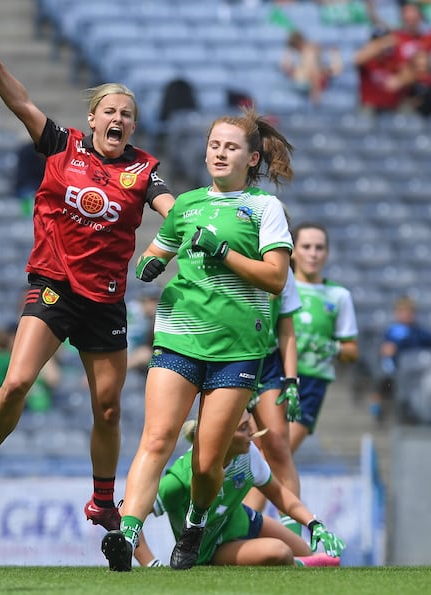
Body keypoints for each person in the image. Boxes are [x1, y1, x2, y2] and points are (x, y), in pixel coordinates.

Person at [0, 36, 175, 532]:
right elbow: (21, 103)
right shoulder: (61, 144)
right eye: (110, 110)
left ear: (134, 125)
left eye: (128, 114)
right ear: (92, 118)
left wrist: (194, 224)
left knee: (109, 409)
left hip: (106, 302)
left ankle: (101, 500)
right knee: (16, 383)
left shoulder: (144, 169)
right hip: (55, 286)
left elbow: (169, 208)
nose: (119, 119)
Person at [102, 107, 295, 572]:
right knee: (157, 438)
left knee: (209, 463)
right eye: (214, 145)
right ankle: (127, 535)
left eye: (231, 147)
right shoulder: (186, 204)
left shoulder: (264, 208)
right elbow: (160, 248)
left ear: (252, 159)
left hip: (237, 350)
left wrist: (224, 251)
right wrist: (149, 263)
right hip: (179, 336)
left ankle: (195, 522)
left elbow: (275, 278)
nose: (220, 153)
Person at [129, 412, 346, 569]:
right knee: (279, 552)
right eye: (243, 428)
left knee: (306, 551)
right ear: (220, 434)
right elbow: (128, 517)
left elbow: (279, 494)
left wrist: (313, 523)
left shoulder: (247, 453)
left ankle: (304, 561)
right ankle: (301, 565)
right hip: (209, 550)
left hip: (243, 519)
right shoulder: (181, 480)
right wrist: (150, 563)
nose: (252, 432)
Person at [242, 205, 303, 536]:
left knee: (278, 443)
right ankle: (225, 528)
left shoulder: (283, 275)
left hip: (267, 367)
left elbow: (286, 331)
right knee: (231, 449)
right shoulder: (233, 264)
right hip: (231, 361)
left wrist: (291, 382)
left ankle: (294, 533)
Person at [289, 222, 359, 455]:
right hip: (272, 374)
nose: (313, 253)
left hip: (312, 383)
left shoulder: (339, 295)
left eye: (319, 248)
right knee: (262, 453)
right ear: (293, 250)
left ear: (327, 253)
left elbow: (352, 351)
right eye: (306, 246)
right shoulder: (278, 286)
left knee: (281, 453)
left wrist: (332, 348)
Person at [368, 296, 431, 422]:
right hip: (395, 367)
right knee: (382, 376)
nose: (406, 315)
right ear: (396, 313)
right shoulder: (391, 331)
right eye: (403, 311)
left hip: (418, 370)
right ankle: (378, 406)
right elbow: (384, 349)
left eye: (409, 312)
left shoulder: (420, 331)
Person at [280, 29, 343, 105]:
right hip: (306, 80)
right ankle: (315, 93)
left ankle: (315, 93)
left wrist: (315, 91)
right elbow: (285, 66)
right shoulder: (305, 51)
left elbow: (314, 71)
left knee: (317, 66)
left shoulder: (310, 51)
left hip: (311, 81)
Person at [12, 141, 46, 217]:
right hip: (27, 187)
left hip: (40, 187)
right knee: (27, 195)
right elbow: (23, 176)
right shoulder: (27, 152)